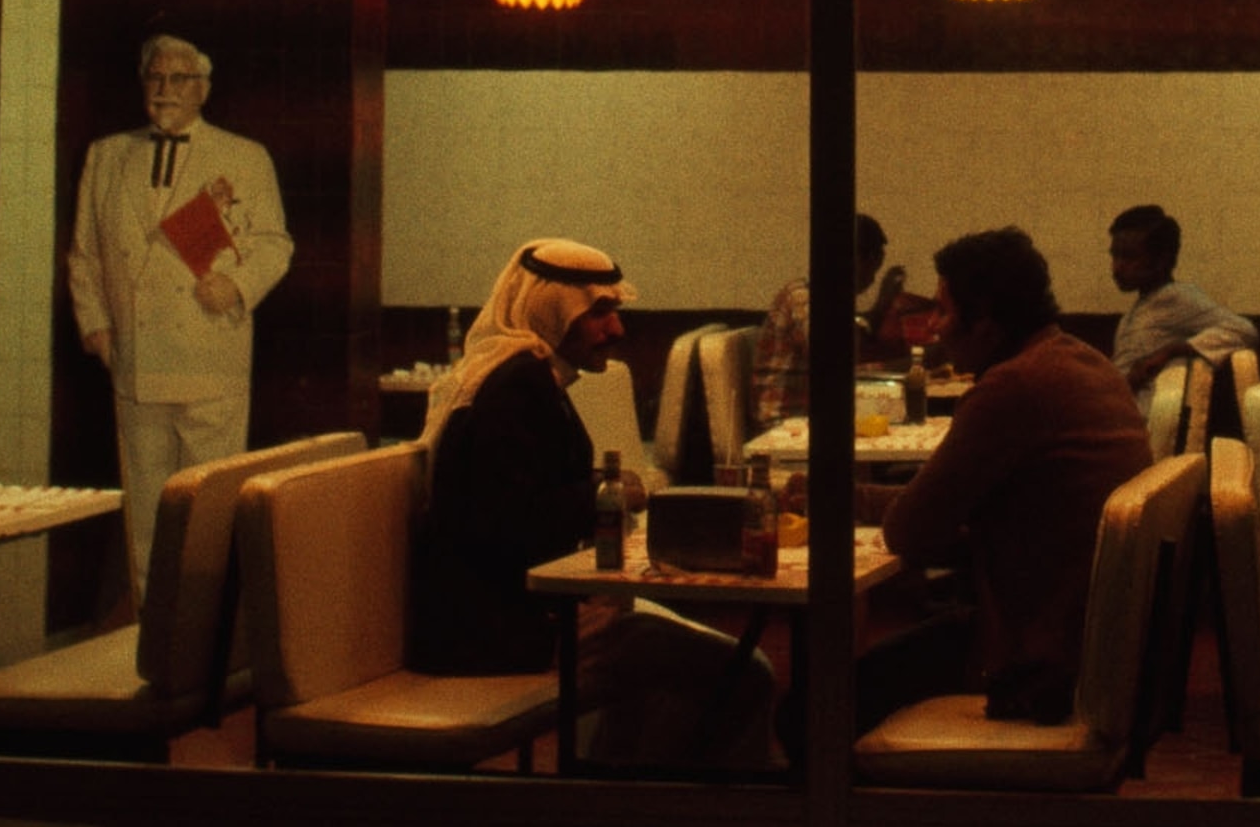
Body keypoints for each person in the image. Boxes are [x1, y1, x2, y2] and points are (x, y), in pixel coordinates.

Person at [410, 239, 776, 767]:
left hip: (511, 618)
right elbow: (500, 526)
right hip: (501, 634)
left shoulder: (526, 377)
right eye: (598, 312)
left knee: (682, 657)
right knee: (746, 673)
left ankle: (621, 795)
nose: (617, 329)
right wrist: (607, 494)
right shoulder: (515, 387)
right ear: (548, 309)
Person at [852, 227, 1153, 726]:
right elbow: (980, 515)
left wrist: (853, 500)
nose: (933, 328)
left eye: (944, 311)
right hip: (1092, 647)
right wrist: (849, 498)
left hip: (1035, 668)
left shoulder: (1013, 388)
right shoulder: (1082, 360)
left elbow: (912, 532)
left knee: (807, 714)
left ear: (986, 321)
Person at [66, 33, 293, 599]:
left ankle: (207, 638)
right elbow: (84, 251)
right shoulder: (106, 155)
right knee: (145, 513)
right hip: (134, 361)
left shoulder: (244, 156)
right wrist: (95, 327)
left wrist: (238, 286)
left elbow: (274, 244)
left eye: (178, 80)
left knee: (210, 506)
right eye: (155, 79)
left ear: (204, 89)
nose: (165, 91)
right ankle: (151, 637)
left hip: (209, 356)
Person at [752, 213, 904, 426]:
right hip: (785, 423)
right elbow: (835, 362)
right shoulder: (803, 299)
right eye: (872, 269)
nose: (871, 280)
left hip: (810, 417)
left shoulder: (827, 297)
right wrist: (908, 366)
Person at [1105, 202, 1258, 395]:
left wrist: (1170, 351)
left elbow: (1244, 331)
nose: (1116, 268)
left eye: (1129, 257)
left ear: (1163, 260)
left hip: (1148, 416)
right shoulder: (1136, 311)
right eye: (1115, 256)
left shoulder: (1177, 297)